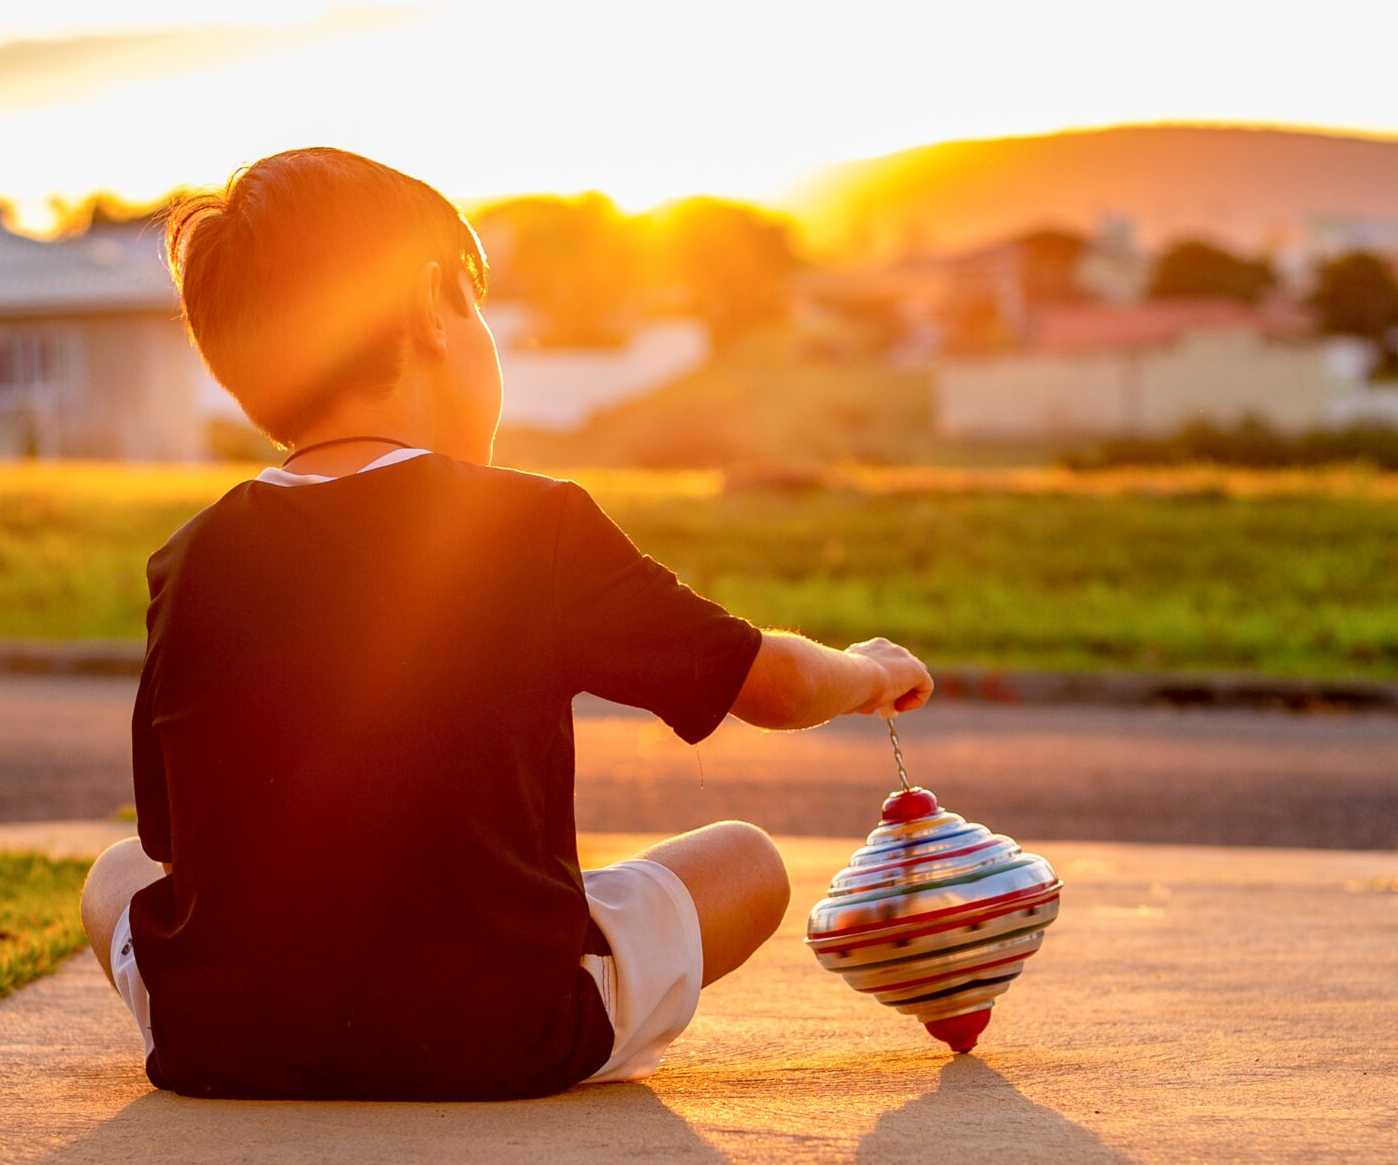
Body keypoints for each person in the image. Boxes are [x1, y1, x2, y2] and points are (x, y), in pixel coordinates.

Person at [77, 148, 933, 1101]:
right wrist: (861, 669)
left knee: (109, 872)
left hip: (226, 1040)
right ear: (435, 301)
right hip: (495, 1036)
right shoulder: (535, 523)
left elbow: (162, 839)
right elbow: (769, 682)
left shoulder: (190, 559)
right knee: (748, 861)